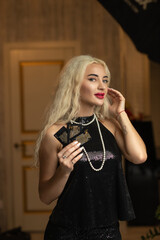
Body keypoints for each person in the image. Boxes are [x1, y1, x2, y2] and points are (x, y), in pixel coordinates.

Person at [35, 55, 147, 240]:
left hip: (107, 231)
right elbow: (45, 196)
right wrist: (63, 172)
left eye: (105, 80)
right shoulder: (54, 133)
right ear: (74, 84)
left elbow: (140, 156)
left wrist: (120, 114)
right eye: (93, 79)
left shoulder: (110, 126)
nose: (102, 86)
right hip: (65, 232)